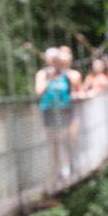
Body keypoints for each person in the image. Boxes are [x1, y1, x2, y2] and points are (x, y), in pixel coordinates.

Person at [35, 42, 78, 181]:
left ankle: (70, 164)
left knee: (66, 140)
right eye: (51, 60)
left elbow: (74, 92)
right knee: (53, 141)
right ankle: (57, 170)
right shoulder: (42, 74)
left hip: (65, 110)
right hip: (49, 111)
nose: (54, 62)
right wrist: (49, 78)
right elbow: (39, 92)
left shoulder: (67, 75)